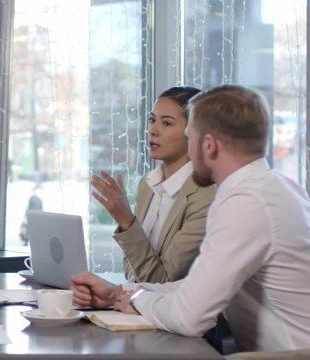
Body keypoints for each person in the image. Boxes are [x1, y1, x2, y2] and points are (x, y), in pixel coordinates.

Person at [71, 84, 310, 352]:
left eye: (189, 136)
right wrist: (119, 293)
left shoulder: (247, 202)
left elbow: (189, 317)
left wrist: (135, 298)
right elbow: (197, 288)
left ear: (209, 145)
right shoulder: (274, 186)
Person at [91, 86, 215, 283]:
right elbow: (132, 271)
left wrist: (126, 222)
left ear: (193, 132)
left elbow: (162, 280)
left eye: (166, 123)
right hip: (139, 305)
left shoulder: (205, 196)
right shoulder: (148, 184)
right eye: (151, 120)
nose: (152, 131)